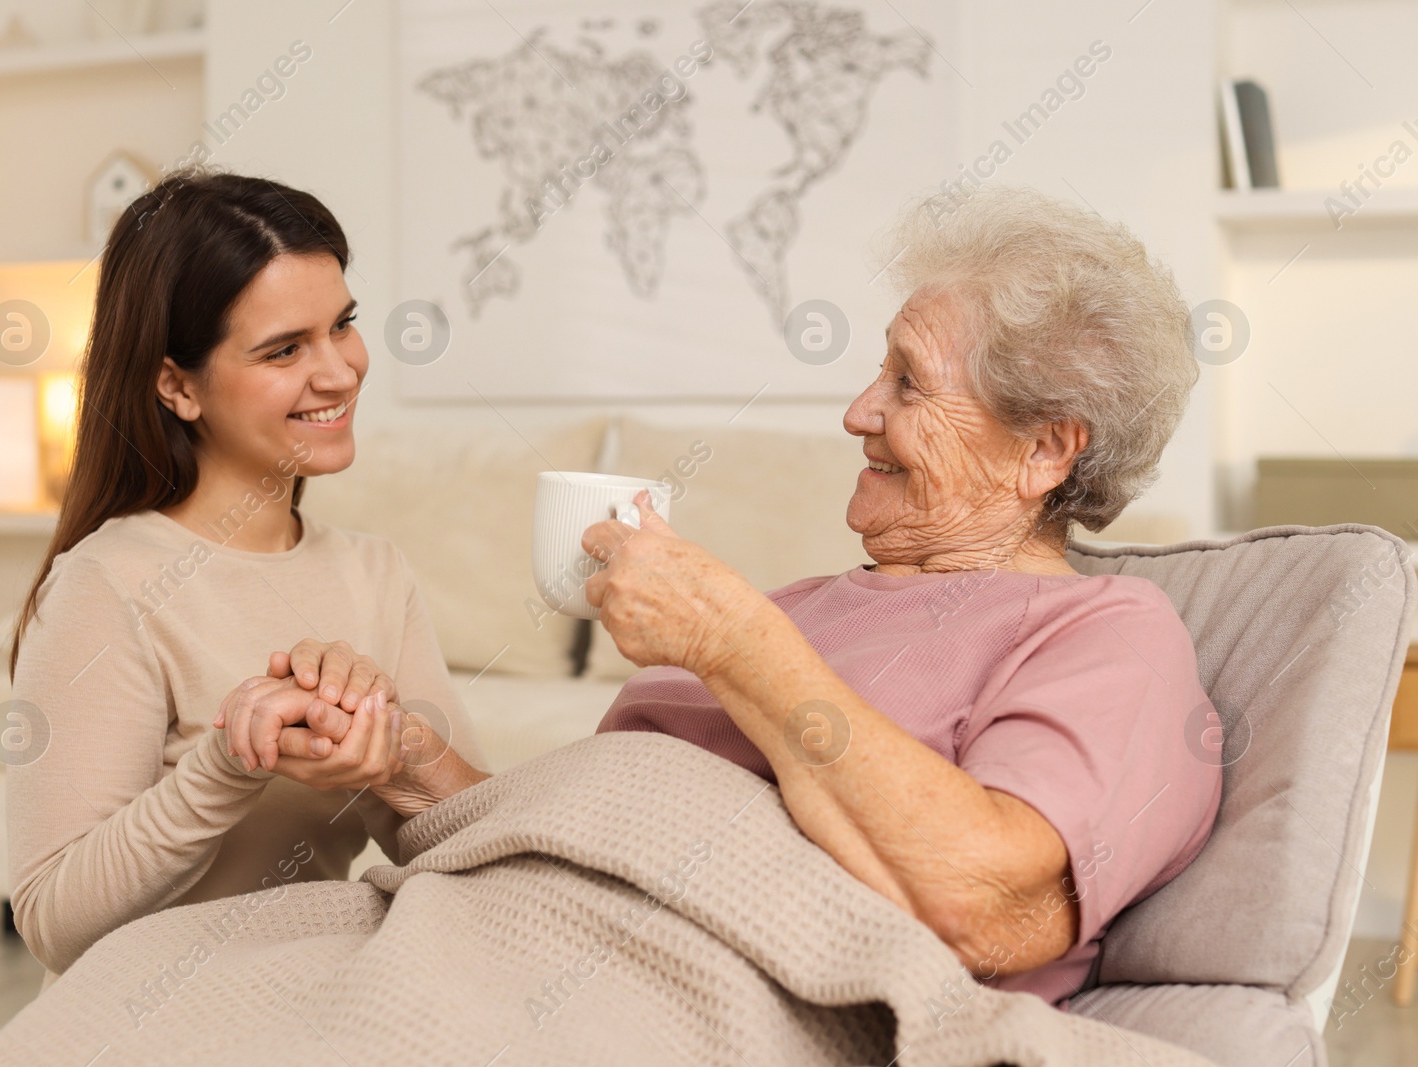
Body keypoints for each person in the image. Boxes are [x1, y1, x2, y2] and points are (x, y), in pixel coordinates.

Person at [231, 185, 1220, 1008]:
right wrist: (398, 758)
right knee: (183, 980)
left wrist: (730, 637)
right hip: (513, 933)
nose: (857, 411)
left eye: (908, 383)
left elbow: (985, 901)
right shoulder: (804, 604)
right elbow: (561, 842)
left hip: (666, 998)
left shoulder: (1106, 634)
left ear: (1044, 447)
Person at [5, 169, 483, 984]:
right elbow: (55, 925)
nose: (338, 372)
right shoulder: (107, 585)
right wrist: (230, 763)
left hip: (307, 999)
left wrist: (390, 749)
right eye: (285, 349)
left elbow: (476, 850)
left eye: (344, 326)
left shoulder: (373, 571)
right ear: (177, 385)